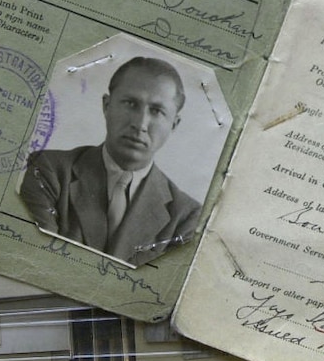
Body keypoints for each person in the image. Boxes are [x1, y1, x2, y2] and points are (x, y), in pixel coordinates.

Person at [20, 57, 201, 267]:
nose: (140, 124)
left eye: (157, 111)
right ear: (107, 106)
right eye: (131, 104)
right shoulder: (49, 170)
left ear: (174, 124)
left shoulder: (186, 216)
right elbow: (37, 259)